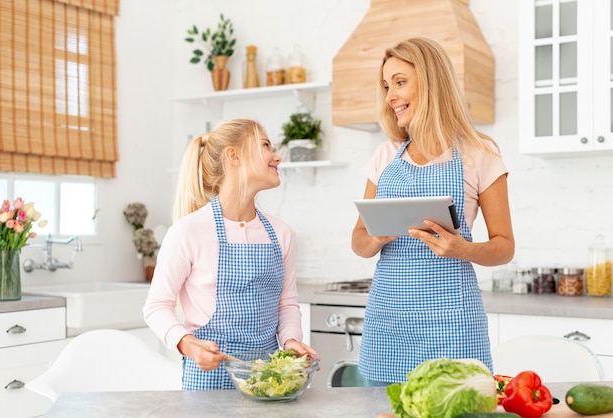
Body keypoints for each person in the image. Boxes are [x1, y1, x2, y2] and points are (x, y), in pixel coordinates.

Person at [351, 38, 515, 385]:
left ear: (431, 81)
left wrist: (463, 250)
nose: (390, 96)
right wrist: (377, 237)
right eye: (386, 86)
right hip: (389, 321)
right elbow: (359, 241)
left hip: (451, 322)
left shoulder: (479, 155)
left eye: (399, 82)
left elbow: (504, 246)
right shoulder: (385, 156)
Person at [143, 118, 318, 390]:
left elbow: (286, 305)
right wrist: (188, 344)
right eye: (266, 145)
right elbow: (156, 307)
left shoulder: (281, 233)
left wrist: (291, 341)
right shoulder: (189, 231)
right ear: (233, 156)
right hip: (209, 380)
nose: (277, 156)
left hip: (270, 380)